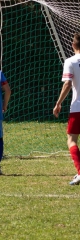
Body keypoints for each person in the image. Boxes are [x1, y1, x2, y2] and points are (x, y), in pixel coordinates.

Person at [53, 33, 80, 185]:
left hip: (78, 107)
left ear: (72, 45)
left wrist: (58, 103)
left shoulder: (70, 61)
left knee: (71, 140)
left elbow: (68, 84)